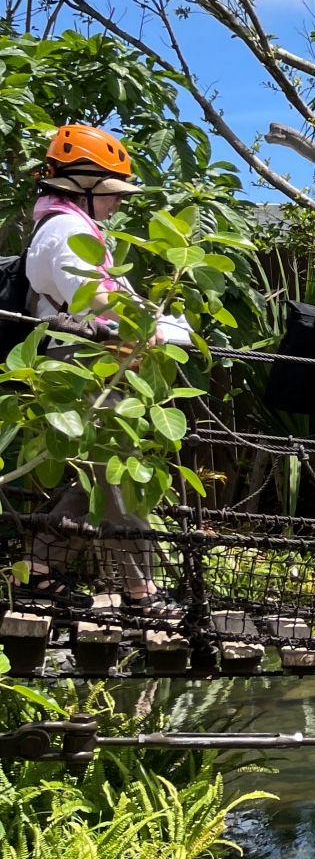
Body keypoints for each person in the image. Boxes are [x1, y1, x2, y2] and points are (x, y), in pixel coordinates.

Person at [21, 124, 192, 615]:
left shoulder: (64, 225)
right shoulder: (68, 229)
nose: (117, 202)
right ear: (82, 184)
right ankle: (143, 595)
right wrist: (149, 326)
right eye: (112, 192)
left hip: (89, 363)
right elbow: (96, 298)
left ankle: (40, 571)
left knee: (95, 476)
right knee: (120, 477)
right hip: (84, 368)